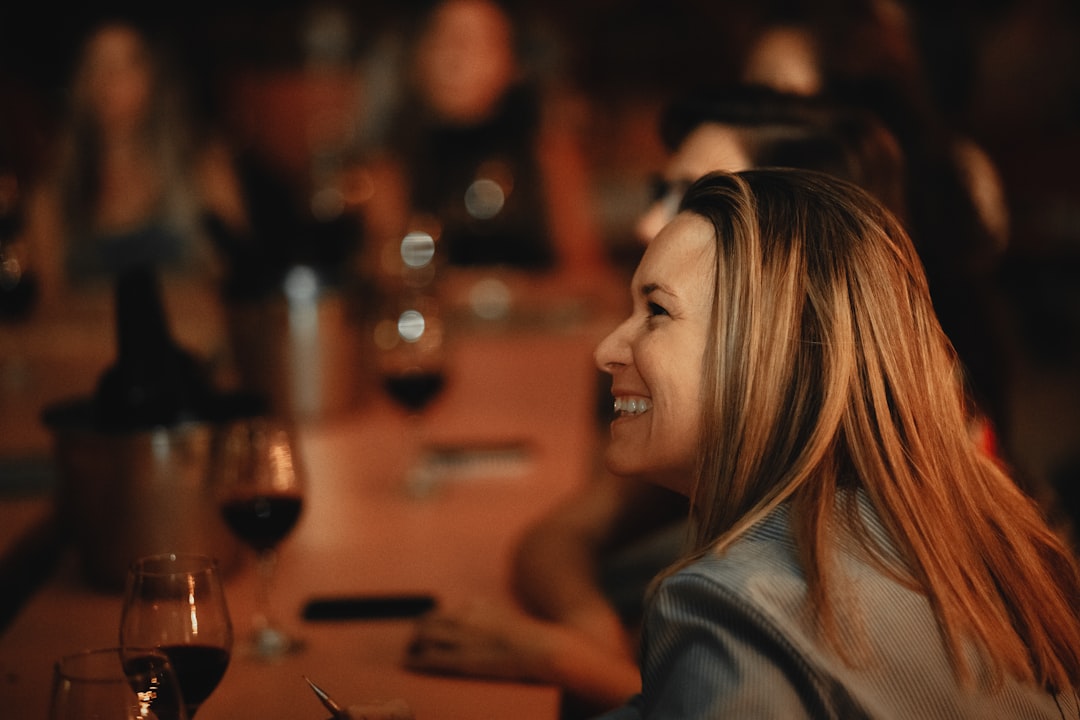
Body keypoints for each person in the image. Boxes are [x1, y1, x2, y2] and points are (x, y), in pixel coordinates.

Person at [404, 86, 910, 717]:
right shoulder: (778, 468)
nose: (651, 223)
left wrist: (573, 663)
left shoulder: (731, 599)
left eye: (696, 195)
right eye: (662, 193)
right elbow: (557, 536)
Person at [588, 168, 1080, 718]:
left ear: (774, 353)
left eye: (656, 311)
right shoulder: (978, 537)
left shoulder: (734, 603)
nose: (607, 348)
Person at [356, 0, 613, 306]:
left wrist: (497, 292)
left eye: (477, 41)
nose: (456, 56)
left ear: (514, 63)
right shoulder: (389, 163)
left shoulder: (547, 152)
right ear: (416, 58)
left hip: (530, 340)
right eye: (443, 38)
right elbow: (386, 280)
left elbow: (591, 278)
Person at [18, 20, 247, 357]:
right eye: (96, 65)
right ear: (78, 81)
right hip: (87, 369)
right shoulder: (51, 193)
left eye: (127, 64)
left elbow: (241, 288)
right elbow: (43, 314)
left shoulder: (203, 171)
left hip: (191, 363)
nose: (108, 82)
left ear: (157, 76)